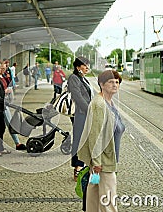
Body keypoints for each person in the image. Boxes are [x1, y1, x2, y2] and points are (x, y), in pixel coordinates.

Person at [78, 70, 125, 212]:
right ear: (102, 84)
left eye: (117, 82)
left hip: (103, 159)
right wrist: (97, 161)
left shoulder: (108, 102)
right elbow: (95, 135)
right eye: (111, 82)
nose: (115, 85)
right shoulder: (100, 105)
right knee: (108, 200)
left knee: (94, 196)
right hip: (103, 161)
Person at [68, 56, 93, 181]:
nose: (87, 67)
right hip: (80, 114)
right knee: (78, 140)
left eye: (88, 65)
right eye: (85, 65)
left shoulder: (83, 78)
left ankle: (84, 166)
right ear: (78, 67)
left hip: (86, 114)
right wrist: (89, 109)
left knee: (86, 141)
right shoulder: (74, 78)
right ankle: (77, 168)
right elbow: (77, 96)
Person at [0, 62, 26, 150]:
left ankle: (16, 143)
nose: (3, 70)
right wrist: (5, 91)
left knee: (3, 125)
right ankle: (16, 143)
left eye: (4, 69)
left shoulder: (3, 77)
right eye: (2, 69)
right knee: (7, 123)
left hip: (4, 102)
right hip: (0, 104)